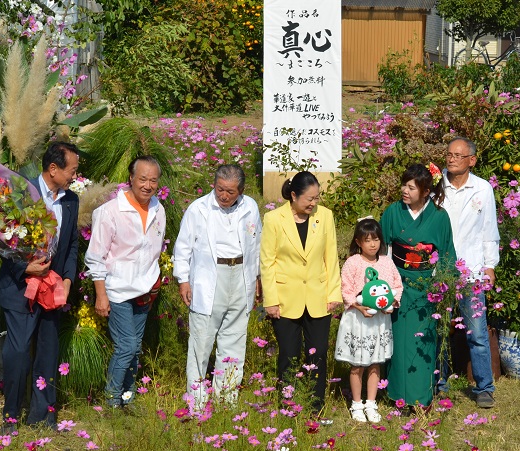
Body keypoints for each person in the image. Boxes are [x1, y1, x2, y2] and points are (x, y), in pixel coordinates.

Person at [0, 141, 80, 432]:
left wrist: (68, 280)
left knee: (48, 351)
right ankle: (10, 415)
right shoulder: (21, 192)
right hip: (20, 287)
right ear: (53, 168)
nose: (75, 176)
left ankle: (43, 414)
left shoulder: (71, 200)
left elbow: (71, 244)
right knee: (18, 352)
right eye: (72, 170)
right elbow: (1, 240)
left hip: (53, 288)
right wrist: (25, 267)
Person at [173, 164, 262, 411]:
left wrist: (257, 278)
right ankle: (198, 401)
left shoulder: (250, 207)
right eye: (220, 189)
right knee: (201, 341)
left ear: (241, 191)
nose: (224, 195)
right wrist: (183, 280)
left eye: (230, 192)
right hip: (210, 277)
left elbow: (256, 246)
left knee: (234, 340)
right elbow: (182, 248)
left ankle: (227, 398)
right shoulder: (199, 209)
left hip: (240, 274)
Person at [85, 156, 166, 408]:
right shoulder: (110, 212)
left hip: (144, 290)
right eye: (142, 179)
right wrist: (101, 295)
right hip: (118, 290)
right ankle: (111, 401)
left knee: (136, 347)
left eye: (153, 180)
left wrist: (154, 282)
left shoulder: (158, 209)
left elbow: (153, 250)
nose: (148, 185)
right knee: (127, 346)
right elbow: (95, 257)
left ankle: (127, 398)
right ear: (131, 178)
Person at [260, 171, 342, 416]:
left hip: (318, 297)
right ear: (293, 195)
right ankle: (287, 404)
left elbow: (331, 257)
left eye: (317, 198)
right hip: (285, 300)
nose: (313, 203)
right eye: (309, 199)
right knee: (288, 354)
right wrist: (271, 300)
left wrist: (333, 293)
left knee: (317, 354)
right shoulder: (274, 219)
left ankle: (315, 406)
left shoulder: (325, 216)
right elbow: (268, 262)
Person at [380, 163, 456, 409]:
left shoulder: (439, 216)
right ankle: (397, 395)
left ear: (425, 191)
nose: (405, 190)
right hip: (398, 284)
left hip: (426, 288)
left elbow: (446, 253)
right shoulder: (393, 212)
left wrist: (444, 286)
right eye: (404, 184)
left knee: (423, 341)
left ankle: (422, 398)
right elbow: (382, 251)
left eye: (411, 187)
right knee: (399, 342)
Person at [441, 137, 499, 408]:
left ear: (471, 160)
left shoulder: (483, 188)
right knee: (439, 330)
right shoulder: (436, 186)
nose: (451, 159)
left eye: (457, 155)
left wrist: (490, 265)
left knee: (476, 333)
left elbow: (489, 230)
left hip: (473, 270)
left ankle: (484, 387)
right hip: (440, 271)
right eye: (449, 154)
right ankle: (438, 383)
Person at [335, 218, 403, 422]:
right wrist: (358, 306)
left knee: (375, 362)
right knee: (358, 363)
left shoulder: (387, 262)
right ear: (358, 242)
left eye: (375, 239)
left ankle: (371, 403)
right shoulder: (353, 262)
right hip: (358, 320)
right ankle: (356, 403)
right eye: (367, 240)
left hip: (379, 321)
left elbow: (397, 286)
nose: (372, 244)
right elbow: (345, 288)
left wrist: (392, 304)